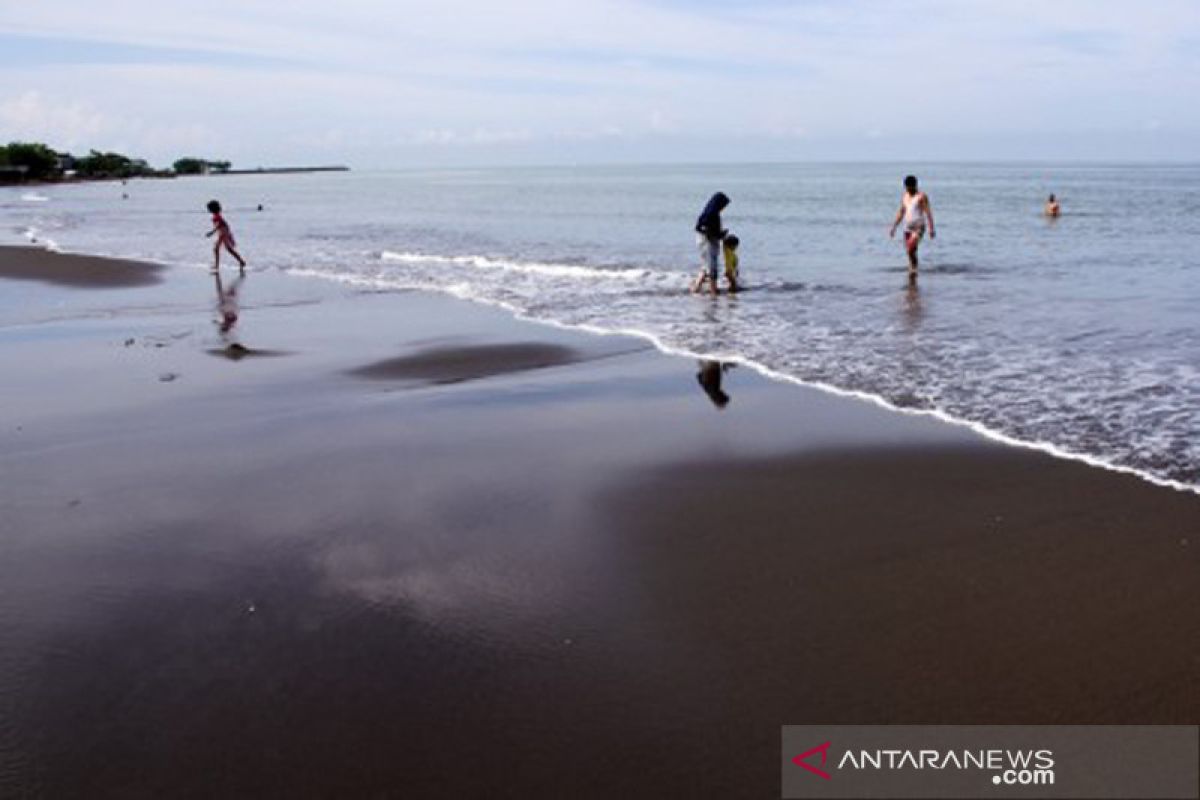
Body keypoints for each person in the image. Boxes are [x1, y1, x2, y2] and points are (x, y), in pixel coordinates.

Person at [889, 175, 935, 283]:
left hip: (919, 227)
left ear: (915, 185)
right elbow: (901, 212)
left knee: (910, 248)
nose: (909, 189)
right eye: (907, 187)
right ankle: (913, 271)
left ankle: (914, 270)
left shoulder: (921, 196)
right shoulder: (905, 196)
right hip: (907, 228)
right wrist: (894, 226)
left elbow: (928, 212)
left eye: (911, 187)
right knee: (911, 252)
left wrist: (931, 228)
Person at [691, 192, 729, 295]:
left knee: (706, 266)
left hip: (708, 241)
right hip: (706, 242)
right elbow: (705, 229)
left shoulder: (712, 213)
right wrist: (718, 235)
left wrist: (720, 234)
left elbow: (708, 229)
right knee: (712, 267)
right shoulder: (710, 214)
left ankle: (696, 288)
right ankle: (713, 290)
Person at [206, 200, 247, 273]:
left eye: (209, 208)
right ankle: (241, 262)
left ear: (212, 209)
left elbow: (219, 225)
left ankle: (217, 266)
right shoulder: (217, 215)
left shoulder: (216, 216)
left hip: (223, 233)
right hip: (223, 232)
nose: (208, 210)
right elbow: (223, 225)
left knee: (218, 249)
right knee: (226, 249)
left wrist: (211, 232)